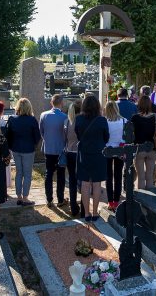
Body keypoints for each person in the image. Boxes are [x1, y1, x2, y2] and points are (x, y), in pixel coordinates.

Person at [74, 94, 109, 222]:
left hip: (84, 153)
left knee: (85, 183)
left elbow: (78, 135)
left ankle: (87, 213)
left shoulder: (78, 119)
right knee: (96, 183)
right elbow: (106, 137)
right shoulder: (102, 120)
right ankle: (94, 213)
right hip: (98, 154)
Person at [7, 98, 41, 207]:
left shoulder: (12, 119)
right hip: (28, 149)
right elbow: (37, 136)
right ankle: (25, 198)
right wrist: (34, 144)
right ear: (29, 107)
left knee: (19, 173)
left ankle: (19, 197)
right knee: (27, 174)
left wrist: (11, 146)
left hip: (16, 149)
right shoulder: (32, 120)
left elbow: (8, 135)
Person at [39, 94, 68, 208]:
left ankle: (49, 199)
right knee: (61, 175)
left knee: (49, 173)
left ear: (51, 103)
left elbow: (41, 131)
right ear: (62, 103)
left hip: (49, 148)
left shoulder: (44, 115)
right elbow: (66, 134)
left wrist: (47, 140)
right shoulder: (64, 116)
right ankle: (60, 199)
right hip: (61, 149)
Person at [130, 96, 156, 189]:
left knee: (141, 177)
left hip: (139, 148)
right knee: (149, 177)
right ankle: (150, 196)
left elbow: (130, 133)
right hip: (152, 148)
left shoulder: (135, 117)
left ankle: (141, 197)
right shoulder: (155, 117)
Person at [104, 101, 126, 210]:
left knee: (108, 177)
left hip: (107, 150)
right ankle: (116, 201)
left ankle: (110, 202)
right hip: (119, 150)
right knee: (118, 176)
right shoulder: (124, 121)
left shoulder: (105, 122)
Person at [63, 101, 81, 216]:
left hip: (69, 152)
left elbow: (64, 138)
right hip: (79, 152)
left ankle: (73, 206)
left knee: (72, 180)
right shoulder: (81, 121)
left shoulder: (66, 121)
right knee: (82, 179)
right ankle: (83, 205)